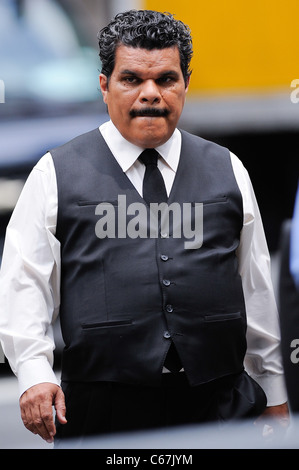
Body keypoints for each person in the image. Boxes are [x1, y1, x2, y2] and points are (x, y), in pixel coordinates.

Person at [0, 10, 289, 446]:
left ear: (185, 84)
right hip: (104, 412)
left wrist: (275, 390)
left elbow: (256, 287)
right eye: (132, 79)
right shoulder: (54, 173)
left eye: (166, 80)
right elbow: (25, 282)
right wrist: (35, 374)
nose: (151, 95)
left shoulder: (227, 168)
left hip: (220, 406)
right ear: (104, 86)